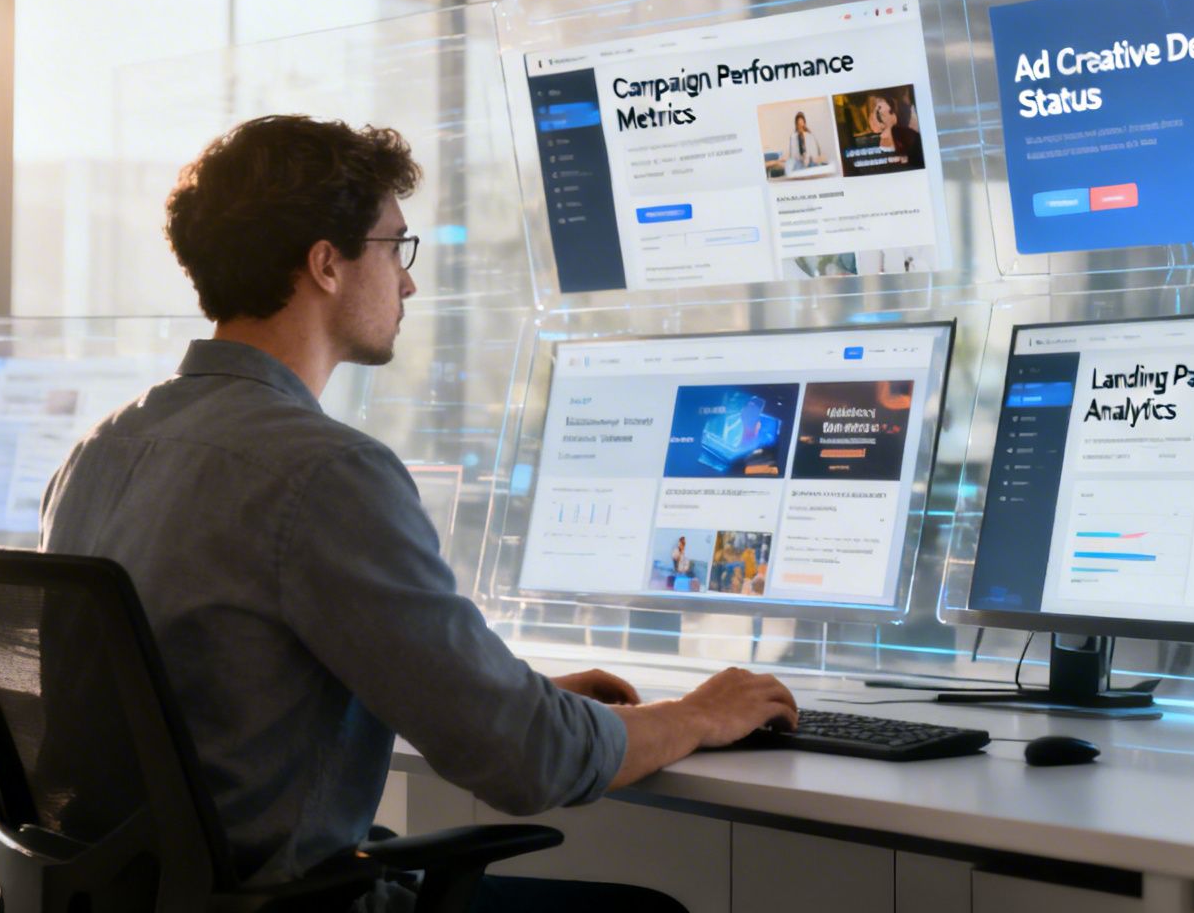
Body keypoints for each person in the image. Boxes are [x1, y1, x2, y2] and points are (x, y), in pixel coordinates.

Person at [40, 115, 796, 912]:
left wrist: (483, 688)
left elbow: (225, 687)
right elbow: (528, 762)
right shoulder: (324, 471)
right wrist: (695, 716)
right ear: (326, 264)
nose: (408, 283)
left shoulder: (100, 450)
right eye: (394, 247)